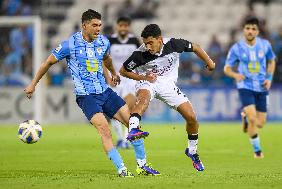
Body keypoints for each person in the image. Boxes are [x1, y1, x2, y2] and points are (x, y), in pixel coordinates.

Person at [24, 9, 159, 177]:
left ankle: (142, 165)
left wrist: (112, 73)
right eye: (94, 25)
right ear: (84, 25)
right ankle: (122, 169)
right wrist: (33, 84)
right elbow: (47, 63)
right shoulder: (69, 45)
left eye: (100, 25)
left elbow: (107, 58)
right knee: (105, 129)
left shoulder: (103, 41)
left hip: (105, 92)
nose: (98, 29)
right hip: (86, 96)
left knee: (133, 125)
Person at [119, 24, 216, 172]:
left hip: (168, 85)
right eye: (145, 43)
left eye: (150, 42)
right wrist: (141, 77)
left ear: (160, 39)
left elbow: (195, 47)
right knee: (143, 99)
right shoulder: (140, 54)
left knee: (191, 117)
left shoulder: (174, 44)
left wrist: (209, 62)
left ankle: (192, 151)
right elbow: (123, 70)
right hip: (147, 81)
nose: (148, 46)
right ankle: (133, 129)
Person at [224, 17, 276, 158]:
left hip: (262, 86)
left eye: (253, 29)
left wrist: (269, 78)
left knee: (260, 123)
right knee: (253, 119)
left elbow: (271, 61)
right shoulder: (237, 48)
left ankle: (245, 117)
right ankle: (257, 151)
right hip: (245, 85)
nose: (250, 31)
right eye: (248, 28)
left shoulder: (265, 45)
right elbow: (227, 68)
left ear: (258, 31)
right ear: (243, 30)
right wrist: (235, 75)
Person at [106, 16, 140, 149]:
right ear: (117, 26)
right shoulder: (110, 41)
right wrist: (108, 77)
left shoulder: (134, 41)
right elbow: (104, 60)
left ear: (129, 27)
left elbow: (140, 59)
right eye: (121, 26)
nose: (123, 28)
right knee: (113, 110)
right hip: (114, 78)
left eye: (126, 26)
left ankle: (126, 139)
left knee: (129, 108)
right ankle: (120, 138)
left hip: (130, 79)